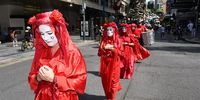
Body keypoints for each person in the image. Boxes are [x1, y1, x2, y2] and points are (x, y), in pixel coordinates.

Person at [27, 10, 87, 100]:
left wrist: (55, 79)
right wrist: (38, 77)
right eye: (42, 34)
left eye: (49, 33)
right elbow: (32, 75)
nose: (45, 38)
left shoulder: (72, 52)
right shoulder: (41, 51)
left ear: (58, 30)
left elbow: (80, 80)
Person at [98, 22, 123, 100]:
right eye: (107, 30)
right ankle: (108, 96)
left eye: (111, 30)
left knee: (113, 83)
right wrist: (103, 49)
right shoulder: (103, 40)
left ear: (114, 31)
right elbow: (99, 53)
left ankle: (112, 98)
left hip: (114, 64)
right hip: (105, 64)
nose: (109, 31)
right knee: (105, 82)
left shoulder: (118, 40)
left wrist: (112, 48)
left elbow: (122, 54)